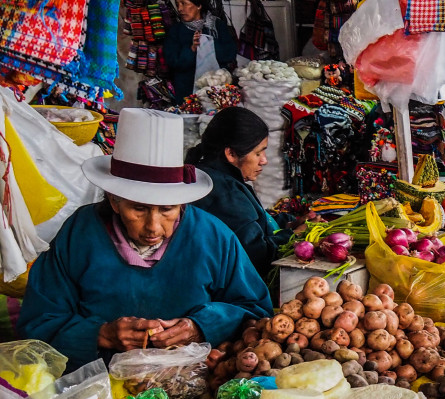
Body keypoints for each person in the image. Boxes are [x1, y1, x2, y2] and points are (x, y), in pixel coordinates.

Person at [17, 108, 272, 371]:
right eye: (138, 209)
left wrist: (201, 326)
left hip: (192, 388)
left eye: (167, 210)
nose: (153, 227)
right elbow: (37, 323)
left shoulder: (212, 236)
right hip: (94, 390)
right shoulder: (79, 234)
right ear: (114, 200)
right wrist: (102, 334)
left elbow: (256, 310)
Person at [187, 107, 293, 279]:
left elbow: (252, 224)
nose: (264, 160)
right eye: (258, 153)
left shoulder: (212, 175)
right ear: (230, 153)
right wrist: (294, 236)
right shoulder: (223, 193)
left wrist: (288, 223)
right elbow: (259, 256)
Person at [163, 0, 237, 103]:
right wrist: (192, 48)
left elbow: (230, 54)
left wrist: (208, 43)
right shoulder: (176, 31)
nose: (179, 9)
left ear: (199, 5)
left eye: (184, 3)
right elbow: (173, 61)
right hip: (187, 92)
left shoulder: (217, 26)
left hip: (217, 91)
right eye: (177, 4)